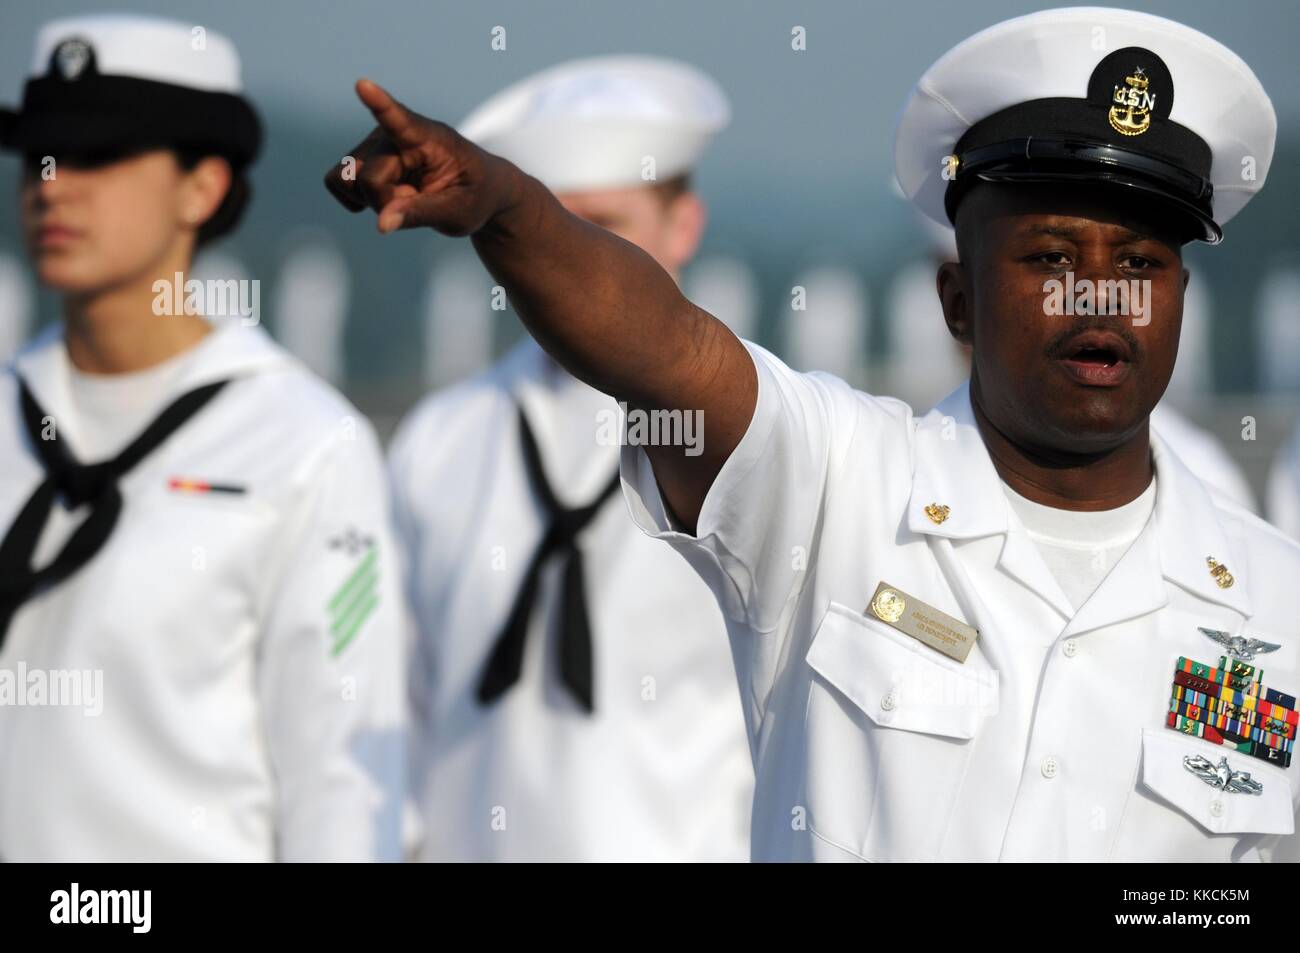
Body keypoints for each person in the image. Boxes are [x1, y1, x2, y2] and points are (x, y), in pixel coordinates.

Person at [325, 7, 1298, 861]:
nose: (1098, 296)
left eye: (1140, 261)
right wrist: (508, 206)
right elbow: (666, 349)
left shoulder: (1273, 602)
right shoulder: (839, 484)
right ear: (955, 299)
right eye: (1047, 256)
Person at [0, 13, 406, 861]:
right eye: (38, 153)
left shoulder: (301, 445)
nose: (52, 185)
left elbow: (340, 780)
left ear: (203, 187)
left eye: (96, 155)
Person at [388, 57, 752, 862]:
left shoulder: (753, 440)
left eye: (607, 228)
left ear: (683, 225)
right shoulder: (436, 442)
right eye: (553, 228)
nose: (575, 263)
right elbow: (392, 704)